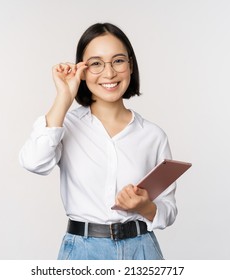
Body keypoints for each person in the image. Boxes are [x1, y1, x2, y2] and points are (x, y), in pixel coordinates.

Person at [19, 22, 177, 260]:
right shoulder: (65, 124)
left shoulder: (153, 135)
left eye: (118, 60)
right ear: (82, 71)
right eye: (96, 63)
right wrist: (64, 96)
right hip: (83, 251)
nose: (109, 73)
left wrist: (144, 207)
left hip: (142, 250)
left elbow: (169, 209)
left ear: (130, 65)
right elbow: (34, 162)